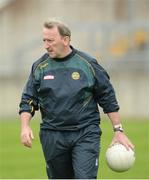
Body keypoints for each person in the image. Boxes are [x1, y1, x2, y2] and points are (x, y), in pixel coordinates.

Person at [19, 19, 134, 179]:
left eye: (50, 40)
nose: (46, 45)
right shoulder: (39, 67)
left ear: (65, 40)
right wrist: (25, 126)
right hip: (52, 135)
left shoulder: (88, 64)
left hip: (85, 132)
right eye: (44, 40)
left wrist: (118, 130)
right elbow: (29, 99)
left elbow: (107, 97)